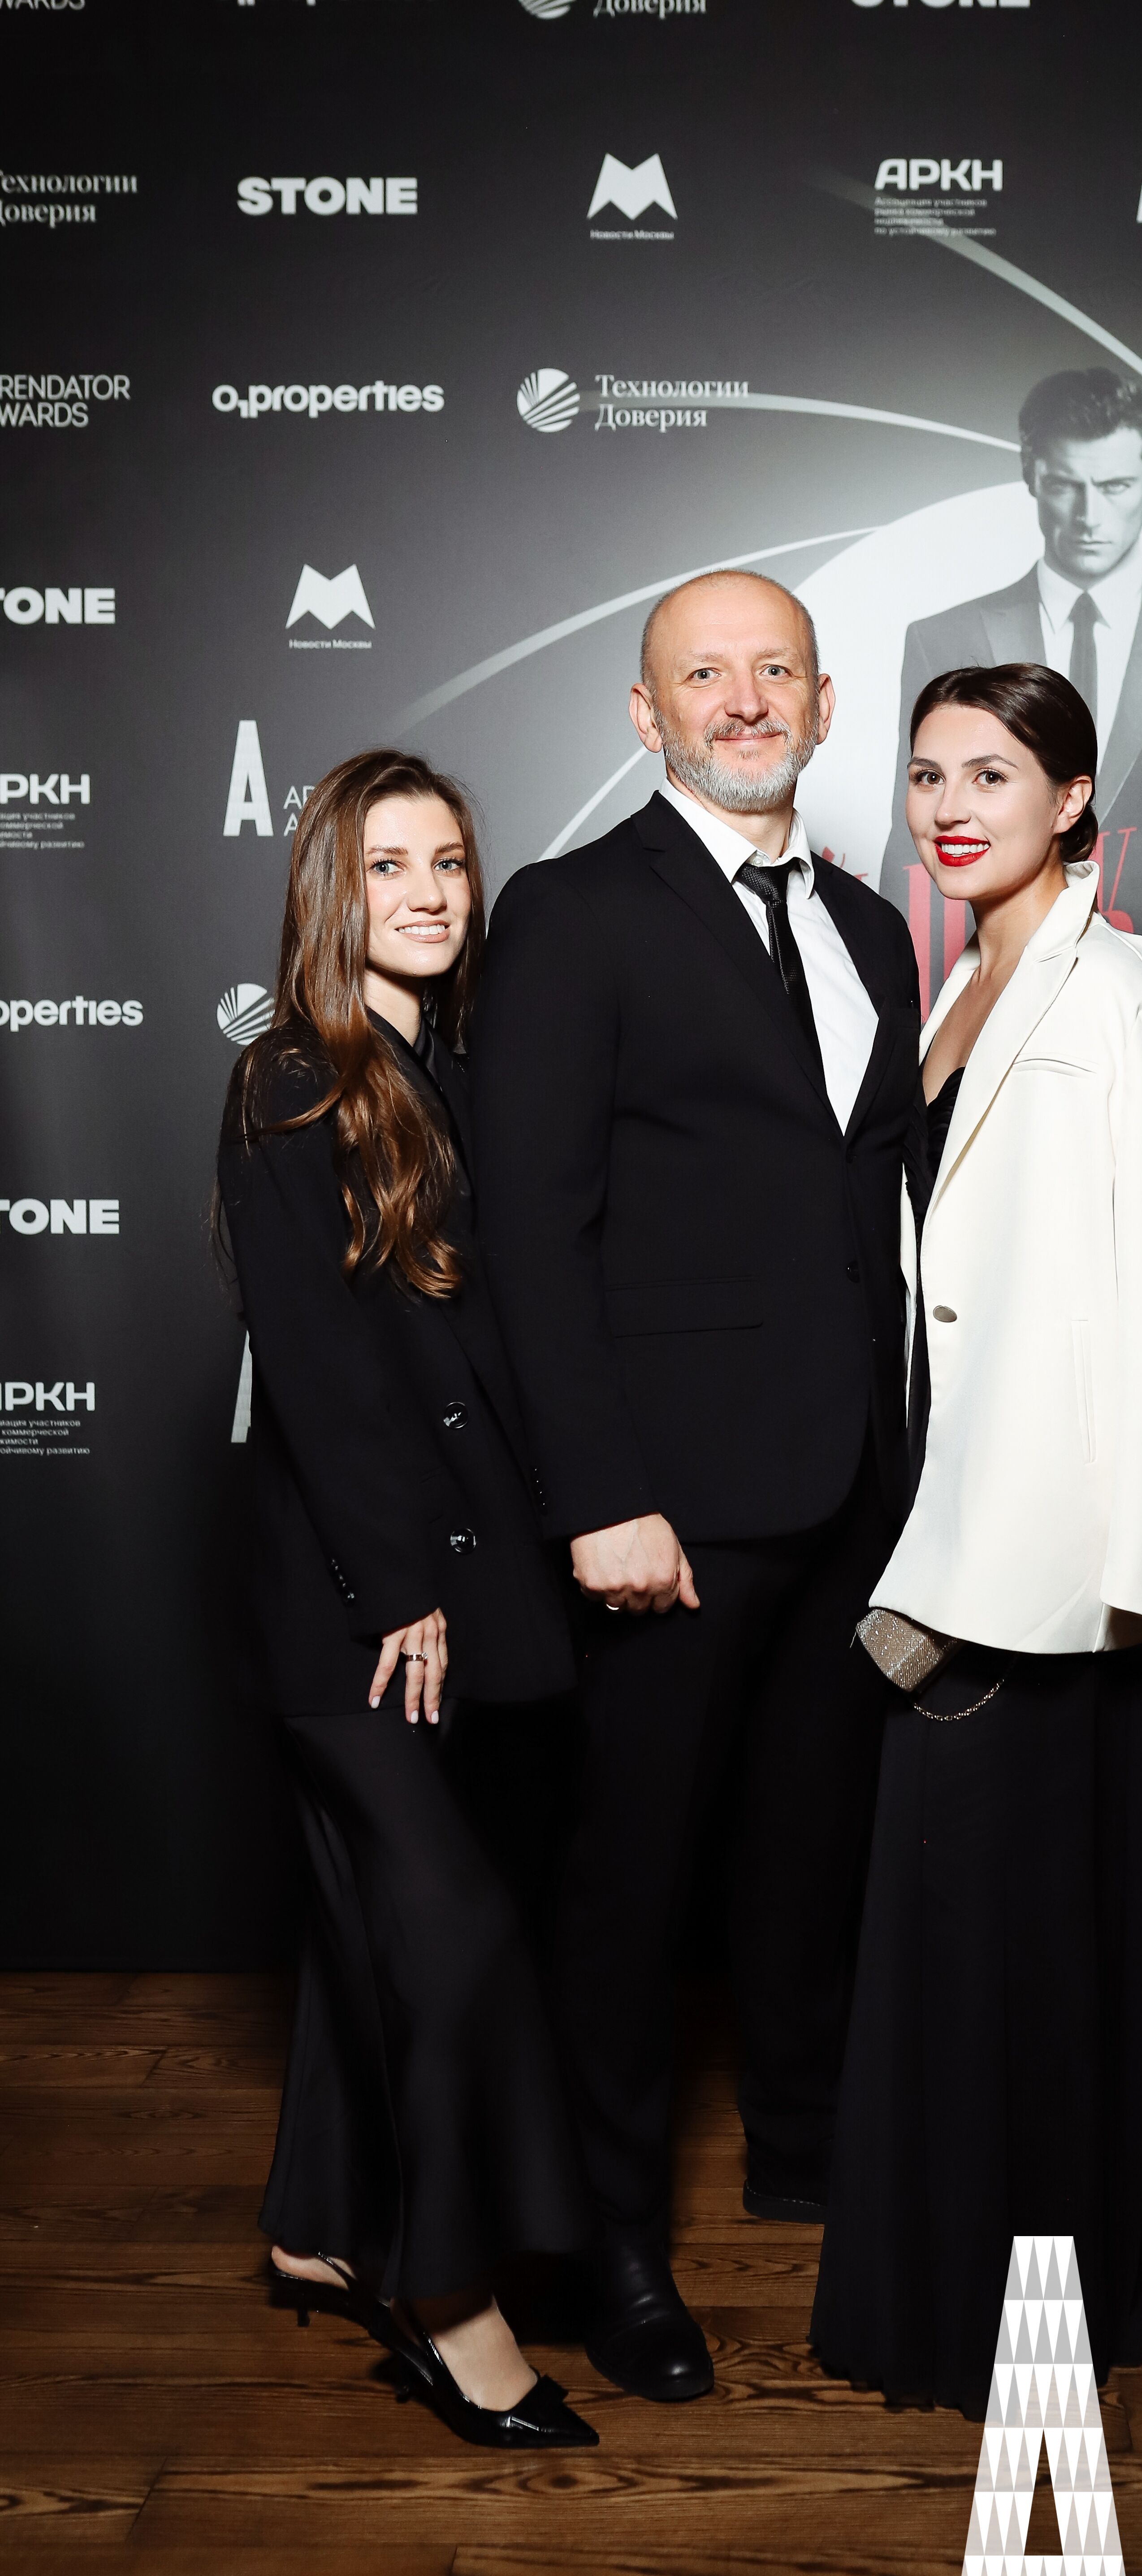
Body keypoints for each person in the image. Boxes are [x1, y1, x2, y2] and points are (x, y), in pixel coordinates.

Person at [472, 570, 921, 2403]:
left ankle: (807, 2152)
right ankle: (608, 2244)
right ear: (643, 715)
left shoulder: (874, 925)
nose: (745, 700)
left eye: (774, 670)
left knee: (809, 1846)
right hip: (665, 1499)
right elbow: (529, 1230)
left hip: (848, 1485)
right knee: (632, 1880)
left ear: (823, 702)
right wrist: (598, 1490)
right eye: (703, 675)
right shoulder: (571, 912)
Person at [813, 664, 1142, 2417]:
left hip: (1042, 1551)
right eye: (926, 773)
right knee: (972, 1930)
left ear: (1074, 799)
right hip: (946, 1505)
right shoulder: (964, 974)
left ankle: (1027, 2310)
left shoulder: (1117, 996)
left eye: (989, 773)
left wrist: (1118, 1575)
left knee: (1021, 1937)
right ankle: (981, 2283)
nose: (947, 805)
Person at [215, 748, 597, 2450]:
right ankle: (448, 2302)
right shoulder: (288, 1078)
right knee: (450, 1933)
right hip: (356, 1601)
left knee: (374, 1913)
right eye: (390, 866)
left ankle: (317, 2220)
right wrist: (398, 1594)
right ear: (332, 889)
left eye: (449, 862)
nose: (431, 892)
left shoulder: (450, 1063)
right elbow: (319, 1368)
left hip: (465, 1571)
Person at [878, 367, 1142, 979]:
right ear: (1031, 475)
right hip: (994, 976)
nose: (1089, 515)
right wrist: (896, 992)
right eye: (1065, 485)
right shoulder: (945, 639)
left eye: (1115, 486)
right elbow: (909, 841)